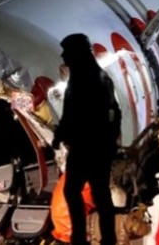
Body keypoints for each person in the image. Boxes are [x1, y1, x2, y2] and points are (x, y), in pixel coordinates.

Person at [52, 34, 121, 245]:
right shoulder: (92, 76)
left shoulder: (88, 79)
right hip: (93, 147)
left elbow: (74, 114)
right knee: (97, 194)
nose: (63, 55)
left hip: (89, 147)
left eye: (67, 52)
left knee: (79, 192)